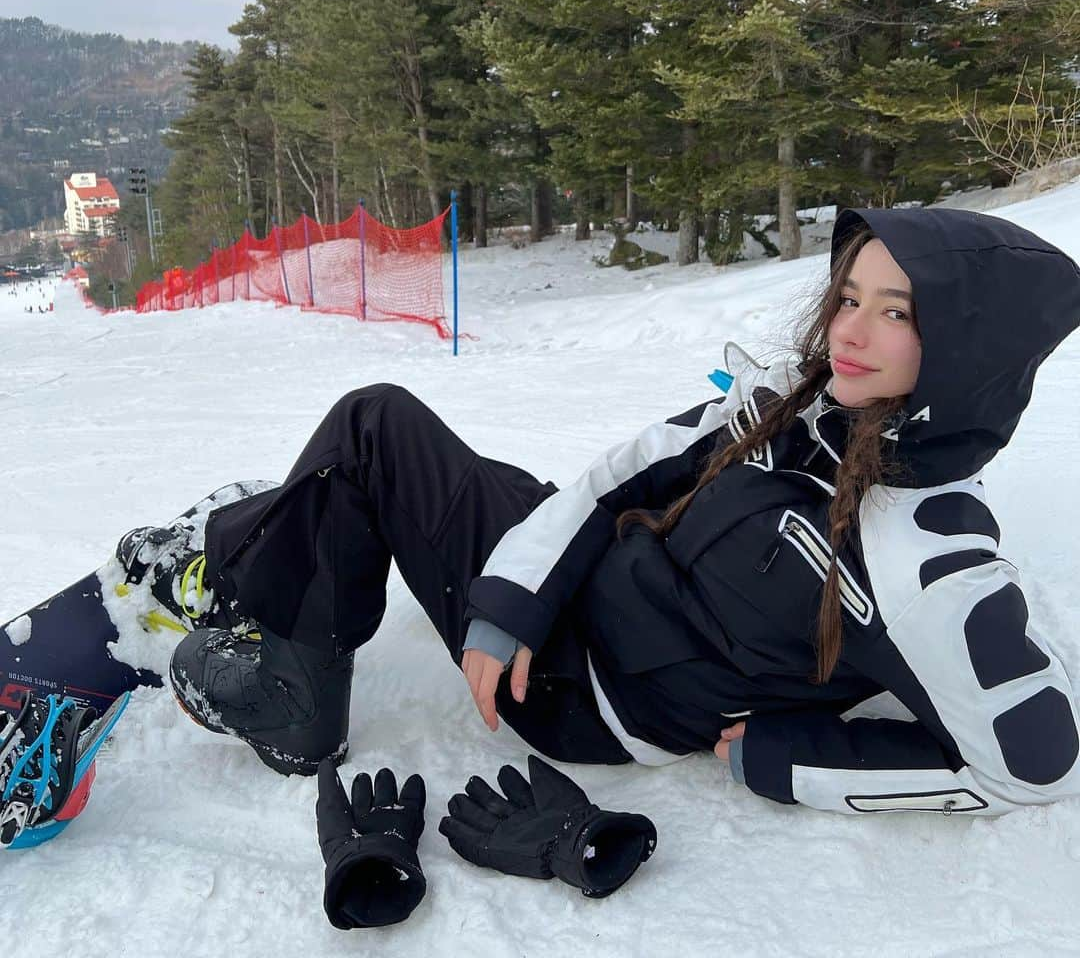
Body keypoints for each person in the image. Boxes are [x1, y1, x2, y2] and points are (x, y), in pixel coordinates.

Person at [149, 206, 1080, 815]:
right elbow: (625, 472)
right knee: (419, 460)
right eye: (848, 296)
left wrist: (794, 760)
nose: (847, 330)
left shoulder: (929, 569)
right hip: (588, 592)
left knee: (374, 431)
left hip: (579, 691)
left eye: (898, 313)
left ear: (968, 351)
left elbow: (1034, 762)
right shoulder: (797, 408)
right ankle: (257, 539)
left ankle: (290, 685)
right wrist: (515, 598)